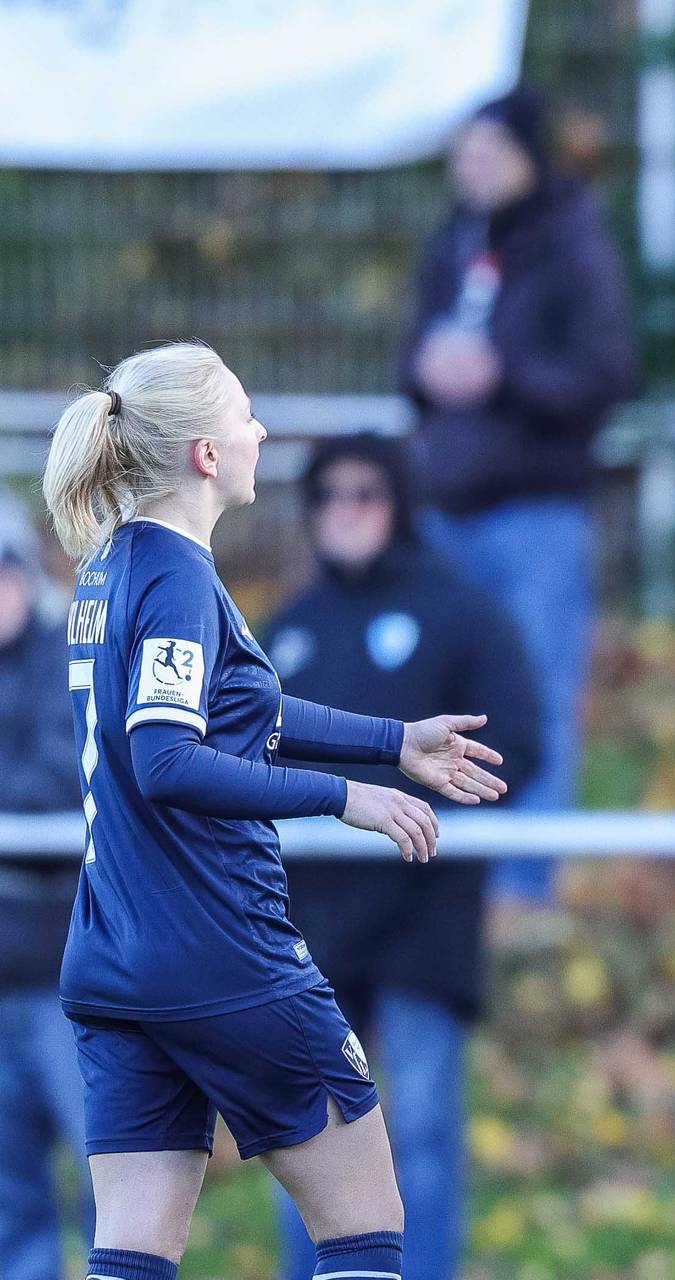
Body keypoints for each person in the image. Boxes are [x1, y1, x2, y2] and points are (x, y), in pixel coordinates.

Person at [39, 342, 509, 1280]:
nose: (260, 432)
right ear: (206, 455)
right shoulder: (174, 575)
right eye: (246, 415)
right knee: (367, 1228)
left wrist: (391, 740)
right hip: (222, 952)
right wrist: (346, 798)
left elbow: (236, 712)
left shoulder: (108, 570)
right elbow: (170, 759)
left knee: (130, 1253)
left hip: (114, 957)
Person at [261, 435, 545, 1280]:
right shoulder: (290, 628)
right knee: (303, 1135)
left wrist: (402, 800)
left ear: (400, 505)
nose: (346, 512)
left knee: (418, 1129)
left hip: (425, 914)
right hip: (305, 922)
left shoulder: (460, 612)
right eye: (330, 497)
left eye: (367, 494)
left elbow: (519, 747)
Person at [399, 88, 639, 888]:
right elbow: (415, 360)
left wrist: (504, 376)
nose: (472, 167)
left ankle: (526, 888)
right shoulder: (453, 241)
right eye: (463, 153)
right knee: (438, 693)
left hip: (537, 517)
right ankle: (439, 870)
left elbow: (605, 376)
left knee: (534, 694)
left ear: (530, 158)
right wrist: (425, 371)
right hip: (447, 513)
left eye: (489, 152)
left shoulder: (575, 244)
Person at [0, 502, 86, 1280]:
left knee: (111, 1187)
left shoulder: (73, 662)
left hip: (69, 981)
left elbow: (64, 780)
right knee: (9, 1200)